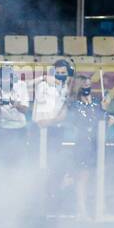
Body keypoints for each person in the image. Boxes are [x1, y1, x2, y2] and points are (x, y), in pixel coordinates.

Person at [66, 73, 112, 220]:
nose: (87, 87)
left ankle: (100, 207)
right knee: (83, 177)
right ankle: (82, 210)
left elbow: (109, 120)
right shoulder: (73, 104)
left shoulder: (98, 102)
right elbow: (78, 121)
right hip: (83, 143)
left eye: (88, 84)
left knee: (98, 176)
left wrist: (104, 109)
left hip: (97, 143)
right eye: (83, 85)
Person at [31, 59, 73, 214]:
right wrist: (43, 78)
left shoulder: (68, 89)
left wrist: (57, 119)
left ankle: (51, 203)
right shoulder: (45, 86)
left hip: (57, 132)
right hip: (41, 133)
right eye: (58, 73)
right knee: (40, 166)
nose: (61, 76)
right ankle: (38, 205)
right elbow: (42, 119)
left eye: (64, 73)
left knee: (55, 168)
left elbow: (66, 114)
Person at [0, 63, 31, 203]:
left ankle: (19, 196)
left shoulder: (21, 88)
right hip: (4, 132)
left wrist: (15, 103)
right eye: (3, 78)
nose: (6, 80)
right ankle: (1, 198)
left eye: (8, 77)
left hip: (20, 130)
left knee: (20, 164)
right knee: (2, 166)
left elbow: (25, 110)